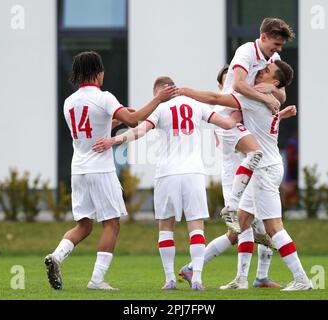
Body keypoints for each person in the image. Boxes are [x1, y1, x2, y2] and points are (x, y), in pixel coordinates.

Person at [93, 76, 241, 291]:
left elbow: (140, 131)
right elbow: (228, 123)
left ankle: (170, 279)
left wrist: (113, 140)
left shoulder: (160, 108)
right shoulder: (196, 104)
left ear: (159, 92)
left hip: (167, 173)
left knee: (166, 228)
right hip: (193, 172)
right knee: (196, 226)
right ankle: (197, 279)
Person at [44, 51, 177, 291]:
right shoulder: (104, 97)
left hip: (79, 170)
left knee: (84, 226)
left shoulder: (69, 102)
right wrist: (158, 99)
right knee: (111, 224)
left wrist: (110, 123)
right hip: (100, 169)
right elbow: (135, 119)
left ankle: (57, 255)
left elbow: (87, 128)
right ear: (97, 72)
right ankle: (96, 280)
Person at [178, 60, 313, 291]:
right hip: (263, 167)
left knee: (273, 227)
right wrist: (276, 100)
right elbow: (263, 110)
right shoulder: (265, 97)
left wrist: (183, 91)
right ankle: (199, 269)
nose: (260, 70)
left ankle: (301, 279)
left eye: (266, 71)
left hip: (262, 170)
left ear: (275, 81)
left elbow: (214, 98)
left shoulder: (253, 98)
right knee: (239, 227)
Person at [218, 18, 295, 229]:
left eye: (280, 46)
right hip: (230, 115)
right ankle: (232, 208)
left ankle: (253, 222)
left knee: (255, 171)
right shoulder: (246, 52)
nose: (278, 50)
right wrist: (265, 98)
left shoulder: (274, 58)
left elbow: (282, 94)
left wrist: (270, 91)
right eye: (275, 44)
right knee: (254, 156)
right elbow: (239, 85)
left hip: (247, 117)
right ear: (263, 37)